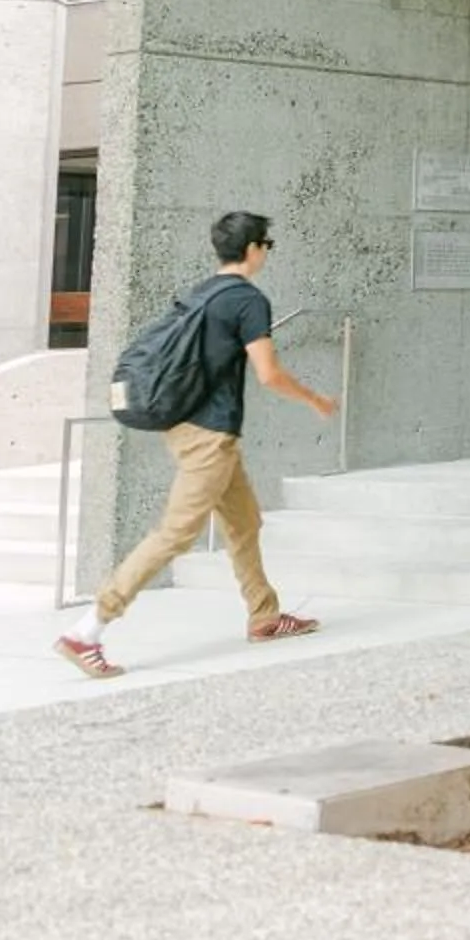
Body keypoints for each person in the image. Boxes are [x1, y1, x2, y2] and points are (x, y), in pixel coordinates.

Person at [54, 211, 339, 679]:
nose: (267, 252)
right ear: (252, 249)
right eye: (266, 244)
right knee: (176, 533)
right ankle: (87, 630)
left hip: (190, 426)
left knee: (244, 521)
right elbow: (268, 373)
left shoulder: (201, 293)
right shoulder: (248, 301)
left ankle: (264, 615)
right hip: (209, 437)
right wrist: (315, 400)